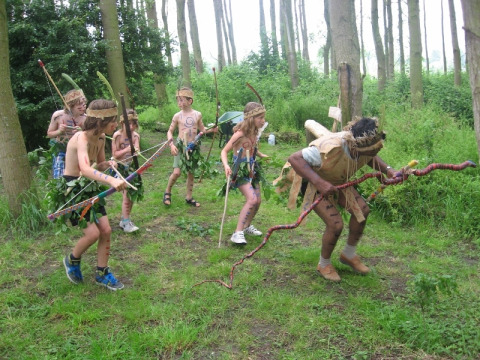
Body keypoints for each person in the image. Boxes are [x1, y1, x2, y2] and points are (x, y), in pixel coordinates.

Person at [287, 117, 396, 282]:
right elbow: (294, 159)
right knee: (335, 224)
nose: (375, 152)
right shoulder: (329, 148)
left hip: (336, 179)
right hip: (312, 181)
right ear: (357, 147)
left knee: (362, 211)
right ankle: (324, 264)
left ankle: (348, 254)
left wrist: (388, 170)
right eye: (372, 150)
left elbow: (371, 156)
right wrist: (320, 183)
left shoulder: (364, 148)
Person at [61, 99, 128, 291]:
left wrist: (109, 164)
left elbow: (98, 164)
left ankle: (102, 272)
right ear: (101, 121)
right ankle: (72, 260)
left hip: (88, 187)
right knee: (92, 233)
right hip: (73, 189)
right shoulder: (81, 138)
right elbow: (84, 168)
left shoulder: (100, 139)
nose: (116, 125)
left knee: (106, 230)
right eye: (113, 120)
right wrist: (112, 181)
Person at [220, 102, 269, 245]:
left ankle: (247, 226)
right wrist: (226, 166)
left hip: (252, 169)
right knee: (252, 199)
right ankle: (237, 232)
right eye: (260, 117)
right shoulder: (239, 134)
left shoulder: (254, 133)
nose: (263, 121)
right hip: (240, 170)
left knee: (258, 201)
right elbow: (224, 151)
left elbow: (253, 149)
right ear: (251, 118)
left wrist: (262, 155)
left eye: (263, 117)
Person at [163, 87, 217, 207]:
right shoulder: (177, 116)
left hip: (193, 147)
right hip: (180, 146)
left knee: (191, 173)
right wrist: (171, 145)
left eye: (181, 100)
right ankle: (167, 192)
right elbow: (169, 131)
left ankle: (189, 197)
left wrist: (212, 129)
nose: (179, 103)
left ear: (190, 101)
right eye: (178, 100)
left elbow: (202, 130)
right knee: (177, 172)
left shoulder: (197, 114)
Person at [112, 109, 142, 233]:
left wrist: (136, 151)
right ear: (122, 124)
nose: (131, 127)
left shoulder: (135, 136)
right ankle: (126, 222)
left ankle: (125, 219)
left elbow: (138, 151)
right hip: (120, 169)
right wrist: (126, 150)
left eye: (133, 124)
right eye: (128, 124)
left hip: (131, 168)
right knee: (126, 196)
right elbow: (115, 155)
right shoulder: (117, 135)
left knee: (132, 195)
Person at [46, 89, 87, 178]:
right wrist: (59, 131)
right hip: (61, 149)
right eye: (79, 104)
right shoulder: (58, 116)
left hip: (77, 151)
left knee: (78, 177)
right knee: (59, 177)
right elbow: (49, 134)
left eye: (84, 103)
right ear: (71, 105)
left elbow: (90, 137)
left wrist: (82, 132)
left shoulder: (85, 119)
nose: (83, 106)